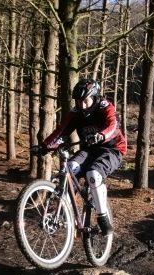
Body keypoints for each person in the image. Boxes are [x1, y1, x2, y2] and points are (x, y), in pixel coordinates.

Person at [31, 78, 127, 235]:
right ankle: (65, 211)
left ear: (94, 97)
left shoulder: (105, 107)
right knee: (69, 169)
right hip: (89, 150)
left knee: (93, 174)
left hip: (111, 149)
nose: (81, 105)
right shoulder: (75, 113)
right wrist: (44, 146)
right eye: (78, 101)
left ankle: (103, 218)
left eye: (85, 101)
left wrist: (101, 136)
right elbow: (61, 132)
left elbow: (113, 126)